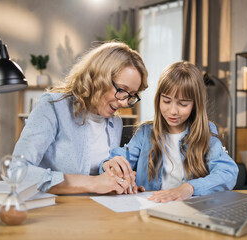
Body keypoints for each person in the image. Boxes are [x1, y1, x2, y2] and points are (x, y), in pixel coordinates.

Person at [13, 42, 148, 195]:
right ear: (100, 78)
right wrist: (93, 183)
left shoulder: (115, 123)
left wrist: (120, 184)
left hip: (98, 212)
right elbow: (18, 171)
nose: (124, 102)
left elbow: (104, 179)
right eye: (122, 90)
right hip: (56, 212)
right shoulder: (53, 107)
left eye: (131, 95)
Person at [100, 61, 238, 202]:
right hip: (150, 209)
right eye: (166, 101)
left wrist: (189, 188)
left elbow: (228, 173)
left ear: (195, 105)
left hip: (189, 211)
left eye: (183, 104)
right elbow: (114, 162)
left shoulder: (205, 132)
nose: (173, 111)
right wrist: (110, 165)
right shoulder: (145, 133)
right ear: (158, 99)